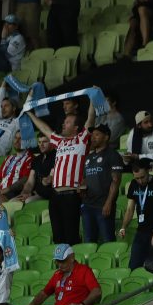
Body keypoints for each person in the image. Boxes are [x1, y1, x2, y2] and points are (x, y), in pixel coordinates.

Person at [25, 96, 97, 244]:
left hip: (71, 195)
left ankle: (73, 266)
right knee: (58, 238)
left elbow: (90, 119)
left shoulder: (82, 139)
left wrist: (93, 99)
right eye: (64, 122)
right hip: (55, 196)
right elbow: (44, 129)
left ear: (77, 127)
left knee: (71, 237)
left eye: (68, 122)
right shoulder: (60, 141)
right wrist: (29, 113)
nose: (63, 124)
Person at [21, 244, 101, 305]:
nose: (59, 265)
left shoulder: (84, 270)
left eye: (63, 261)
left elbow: (97, 291)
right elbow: (44, 293)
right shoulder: (57, 274)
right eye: (57, 261)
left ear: (72, 258)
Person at [120, 159, 153, 270]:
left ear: (148, 171)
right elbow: (130, 209)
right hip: (141, 231)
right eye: (137, 178)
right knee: (134, 265)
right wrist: (123, 227)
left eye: (142, 177)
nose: (140, 181)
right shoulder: (133, 185)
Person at [81, 123, 123, 244]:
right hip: (87, 205)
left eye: (97, 134)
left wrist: (109, 203)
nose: (93, 137)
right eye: (92, 135)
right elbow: (85, 178)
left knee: (108, 240)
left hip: (103, 205)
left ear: (106, 137)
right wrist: (81, 190)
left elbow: (116, 181)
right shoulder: (88, 157)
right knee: (88, 241)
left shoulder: (113, 155)